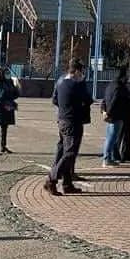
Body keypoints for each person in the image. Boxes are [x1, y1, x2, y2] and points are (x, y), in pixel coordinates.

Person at [44, 58, 93, 196]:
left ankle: (67, 184)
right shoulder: (77, 85)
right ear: (77, 71)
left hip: (62, 120)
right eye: (81, 71)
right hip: (73, 121)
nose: (82, 74)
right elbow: (88, 99)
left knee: (64, 150)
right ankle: (51, 179)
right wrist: (82, 82)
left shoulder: (60, 81)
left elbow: (54, 99)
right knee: (70, 153)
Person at [100, 67, 130, 168]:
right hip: (116, 116)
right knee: (112, 138)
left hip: (110, 115)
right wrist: (108, 113)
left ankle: (110, 158)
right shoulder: (119, 87)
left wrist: (104, 111)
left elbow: (104, 99)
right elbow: (115, 101)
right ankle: (107, 159)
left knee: (109, 137)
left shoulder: (110, 85)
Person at [0, 68, 18, 156]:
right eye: (6, 73)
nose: (8, 75)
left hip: (7, 108)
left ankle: (3, 146)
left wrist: (15, 88)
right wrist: (10, 92)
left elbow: (15, 94)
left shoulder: (10, 82)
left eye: (8, 73)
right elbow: (1, 93)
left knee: (4, 128)